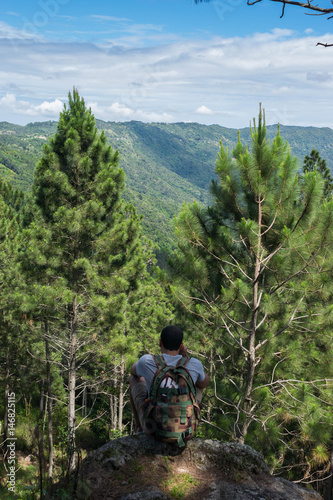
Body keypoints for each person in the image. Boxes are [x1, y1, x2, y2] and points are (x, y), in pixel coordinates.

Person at [130, 325, 210, 433]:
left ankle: (139, 427)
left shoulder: (146, 361)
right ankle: (189, 420)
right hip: (185, 429)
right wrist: (185, 357)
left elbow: (133, 370)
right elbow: (205, 383)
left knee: (134, 379)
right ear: (181, 345)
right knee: (198, 384)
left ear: (160, 342)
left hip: (154, 428)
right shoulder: (194, 363)